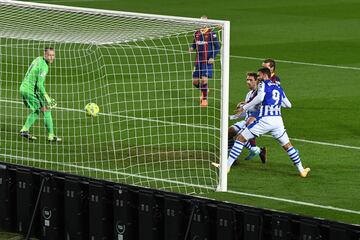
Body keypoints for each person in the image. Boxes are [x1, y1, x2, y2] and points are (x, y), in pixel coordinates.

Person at [216, 67, 310, 177]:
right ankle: (301, 170)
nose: (258, 77)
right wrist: (274, 104)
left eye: (259, 75)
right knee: (288, 146)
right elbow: (288, 105)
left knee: (240, 138)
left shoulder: (263, 84)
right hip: (278, 121)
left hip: (265, 120)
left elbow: (260, 98)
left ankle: (226, 167)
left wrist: (245, 107)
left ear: (264, 75)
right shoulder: (279, 87)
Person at [19, 47, 61, 142]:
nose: (51, 57)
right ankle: (25, 130)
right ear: (45, 55)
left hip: (25, 88)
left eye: (53, 55)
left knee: (45, 109)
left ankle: (50, 134)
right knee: (42, 109)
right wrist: (47, 97)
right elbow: (39, 85)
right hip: (30, 90)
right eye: (49, 55)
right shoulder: (44, 67)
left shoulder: (38, 58)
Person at [228, 72, 267, 163]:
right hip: (246, 120)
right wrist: (231, 117)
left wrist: (245, 106)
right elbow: (246, 112)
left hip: (255, 122)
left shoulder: (260, 94)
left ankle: (231, 160)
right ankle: (259, 151)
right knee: (228, 132)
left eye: (251, 80)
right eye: (247, 80)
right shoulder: (249, 94)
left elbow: (260, 110)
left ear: (256, 81)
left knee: (239, 137)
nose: (248, 82)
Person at [189, 16, 221, 107]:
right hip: (198, 61)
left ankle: (204, 99)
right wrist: (192, 47)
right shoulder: (197, 33)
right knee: (195, 82)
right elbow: (195, 43)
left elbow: (217, 47)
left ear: (207, 22)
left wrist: (213, 57)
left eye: (204, 22)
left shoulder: (211, 33)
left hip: (207, 61)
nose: (202, 23)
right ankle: (205, 90)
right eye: (201, 22)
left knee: (204, 80)